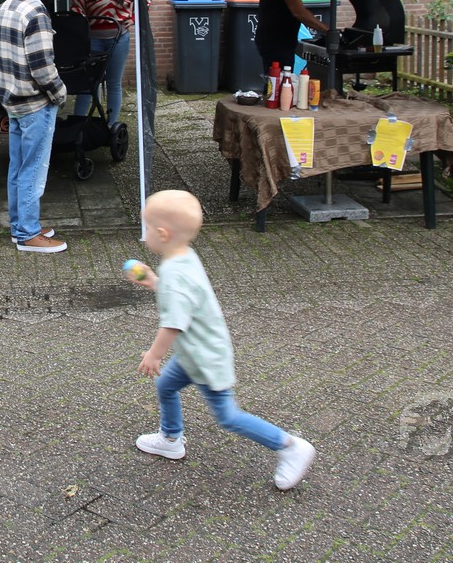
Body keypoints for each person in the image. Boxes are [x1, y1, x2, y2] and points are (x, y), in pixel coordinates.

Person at [128, 189, 317, 491]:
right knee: (166, 386)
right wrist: (154, 282)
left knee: (228, 416)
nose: (145, 234)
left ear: (162, 234)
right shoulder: (183, 258)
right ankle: (170, 438)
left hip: (205, 358)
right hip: (194, 354)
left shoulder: (175, 273)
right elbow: (184, 299)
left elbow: (173, 323)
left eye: (147, 228)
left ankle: (290, 446)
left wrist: (154, 354)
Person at [0, 0, 67, 254]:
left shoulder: (1, 9)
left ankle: (19, 226)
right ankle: (28, 234)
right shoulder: (35, 13)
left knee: (18, 167)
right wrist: (60, 93)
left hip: (11, 102)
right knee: (33, 169)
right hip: (35, 104)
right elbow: (43, 66)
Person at [70, 0, 137, 126]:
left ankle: (110, 125)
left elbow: (144, 1)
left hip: (118, 39)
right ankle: (78, 123)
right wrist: (81, 21)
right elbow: (76, 6)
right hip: (93, 40)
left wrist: (133, 18)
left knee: (114, 82)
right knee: (88, 83)